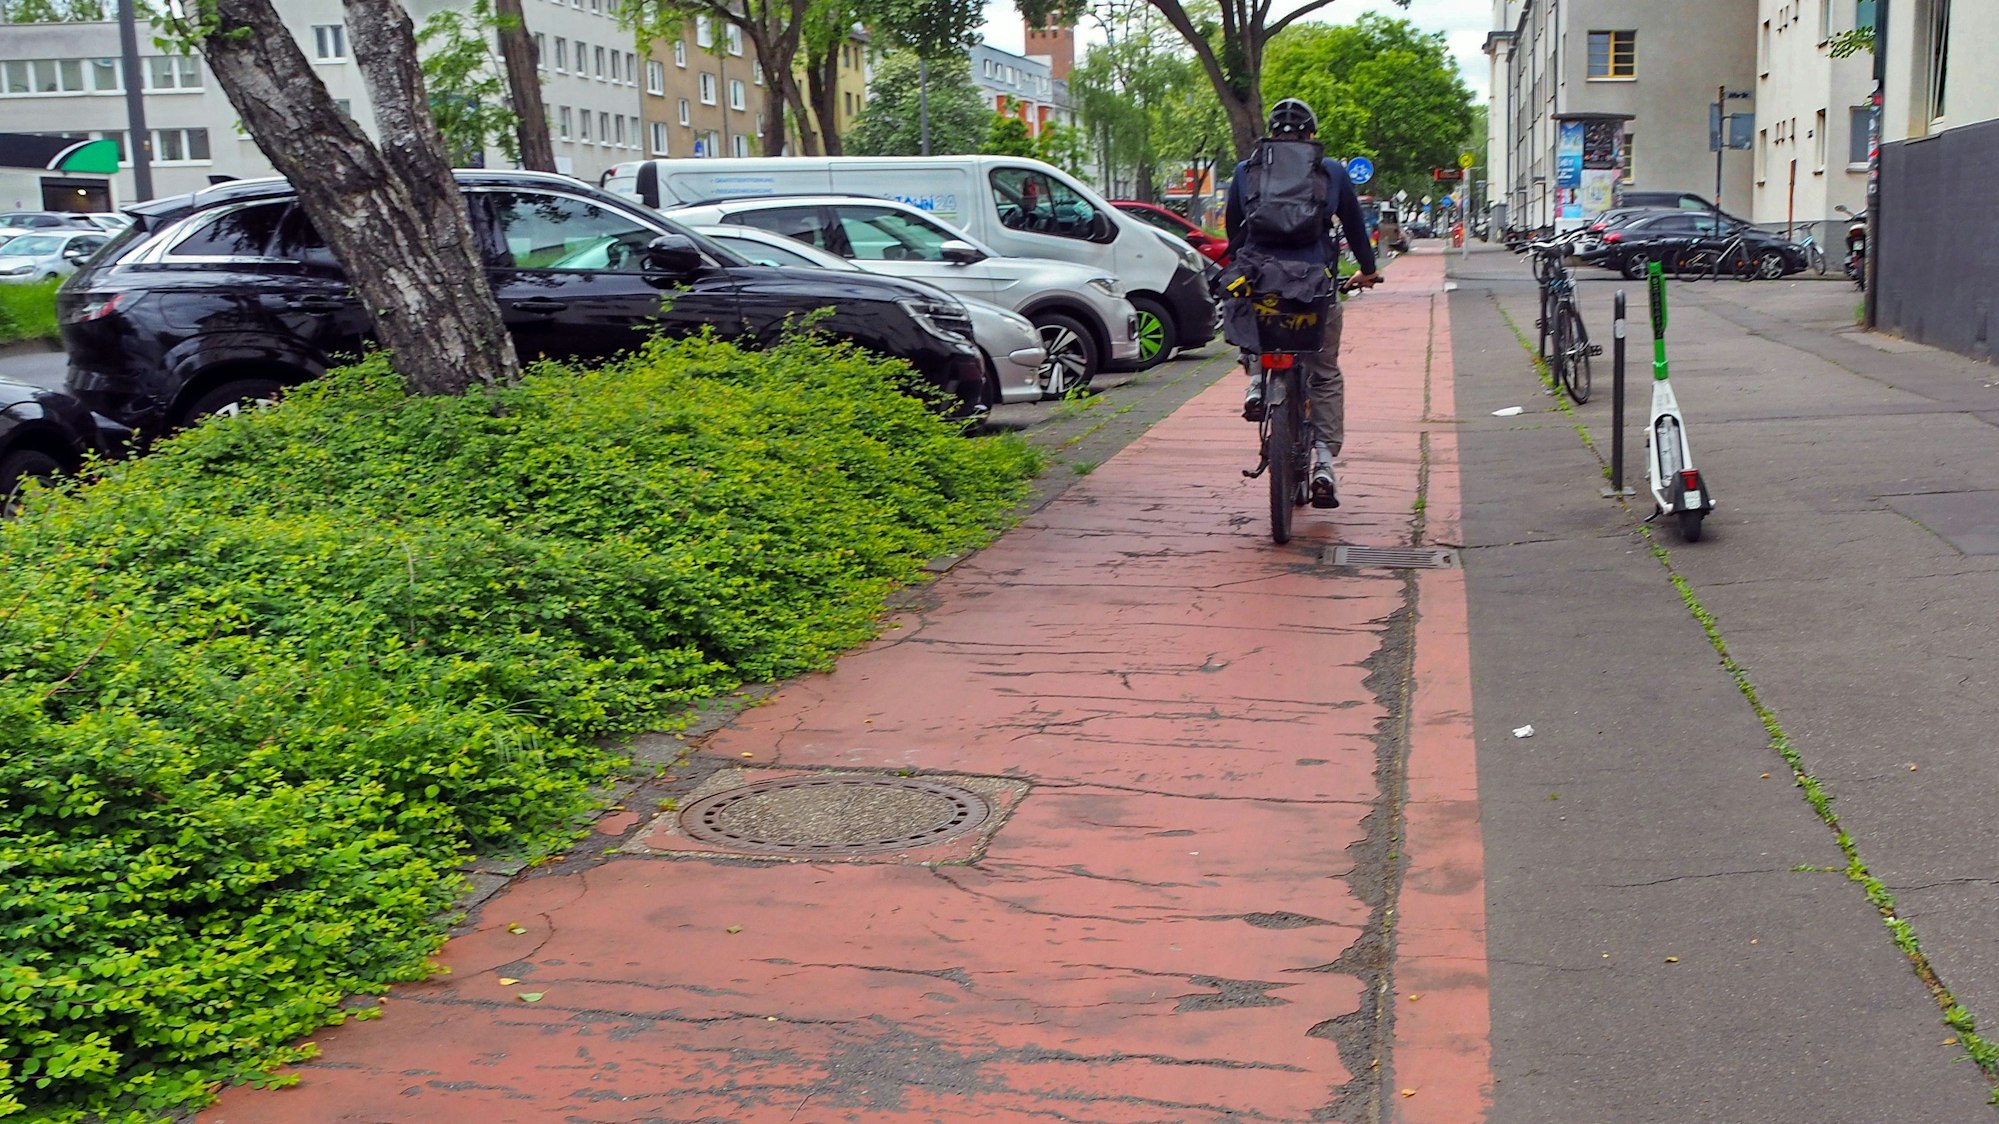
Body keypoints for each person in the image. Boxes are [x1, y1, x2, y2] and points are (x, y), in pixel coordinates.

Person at [1222, 97, 1381, 507]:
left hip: (1262, 281)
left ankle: (1258, 380)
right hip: (1315, 287)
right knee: (1324, 371)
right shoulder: (1330, 171)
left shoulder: (1246, 170)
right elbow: (1354, 227)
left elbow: (1233, 229)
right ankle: (1324, 461)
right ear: (1311, 135)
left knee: (1256, 324)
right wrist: (1366, 269)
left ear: (1272, 134)